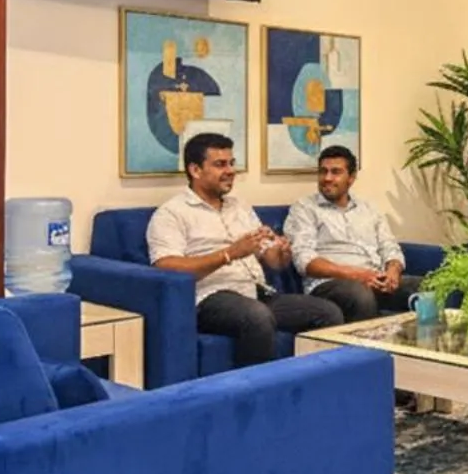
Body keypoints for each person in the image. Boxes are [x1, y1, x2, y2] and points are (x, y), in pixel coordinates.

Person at [146, 133, 342, 366]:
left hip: (257, 293)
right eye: (220, 165)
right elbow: (166, 267)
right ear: (195, 170)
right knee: (257, 317)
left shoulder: (239, 207)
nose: (230, 171)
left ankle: (313, 388)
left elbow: (273, 261)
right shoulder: (172, 213)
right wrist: (229, 254)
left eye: (231, 163)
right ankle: (257, 399)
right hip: (210, 299)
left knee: (328, 313)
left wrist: (281, 253)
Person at [283, 145, 420, 322]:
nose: (327, 178)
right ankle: (368, 349)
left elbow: (389, 245)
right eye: (323, 171)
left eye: (336, 172)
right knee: (360, 295)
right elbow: (305, 261)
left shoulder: (368, 208)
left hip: (376, 279)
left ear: (352, 177)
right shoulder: (304, 209)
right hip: (331, 283)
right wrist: (357, 275)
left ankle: (417, 349)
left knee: (428, 287)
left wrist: (393, 272)